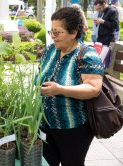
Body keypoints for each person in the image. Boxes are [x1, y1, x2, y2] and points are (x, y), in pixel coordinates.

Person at [36, 7, 104, 166]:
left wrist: (60, 89)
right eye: (51, 32)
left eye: (57, 32)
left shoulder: (87, 54)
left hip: (73, 127)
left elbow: (94, 89)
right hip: (45, 124)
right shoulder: (50, 51)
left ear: (73, 33)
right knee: (45, 163)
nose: (53, 36)